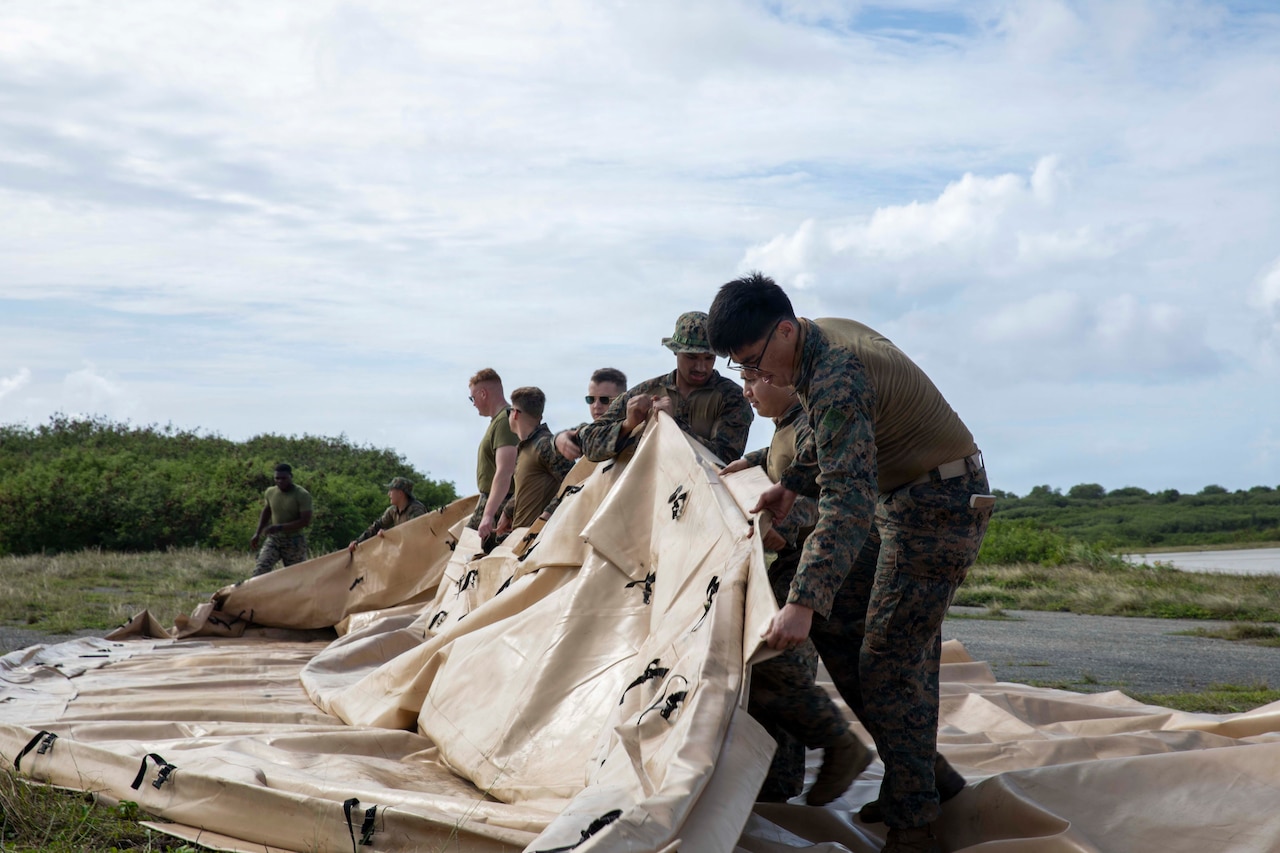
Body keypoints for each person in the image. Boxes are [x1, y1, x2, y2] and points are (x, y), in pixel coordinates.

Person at [706, 273, 993, 853]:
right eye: (743, 369)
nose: (756, 380)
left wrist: (802, 602)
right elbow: (838, 442)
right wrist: (791, 484)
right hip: (905, 499)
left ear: (785, 330)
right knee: (857, 634)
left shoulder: (836, 370)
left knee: (888, 659)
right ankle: (925, 779)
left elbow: (848, 501)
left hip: (938, 504)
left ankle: (915, 826)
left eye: (756, 364)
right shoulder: (817, 344)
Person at [721, 375, 871, 805]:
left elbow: (826, 486)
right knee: (782, 661)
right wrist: (750, 461)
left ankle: (838, 743)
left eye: (753, 379)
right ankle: (781, 778)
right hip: (804, 555)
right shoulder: (786, 425)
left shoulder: (808, 420)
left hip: (819, 555)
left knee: (767, 650)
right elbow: (782, 460)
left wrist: (782, 527)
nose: (747, 390)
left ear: (786, 381)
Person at [577, 312, 753, 464]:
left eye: (708, 358)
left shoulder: (732, 398)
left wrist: (673, 424)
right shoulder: (645, 392)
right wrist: (627, 425)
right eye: (691, 357)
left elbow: (725, 459)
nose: (701, 367)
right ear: (676, 351)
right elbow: (589, 443)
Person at [496, 387, 575, 535]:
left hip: (538, 544)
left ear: (515, 414)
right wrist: (508, 511)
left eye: (509, 411)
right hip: (522, 540)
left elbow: (575, 482)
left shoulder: (545, 445)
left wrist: (546, 516)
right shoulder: (529, 447)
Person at [467, 368, 519, 548]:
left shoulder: (505, 421)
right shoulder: (500, 421)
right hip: (493, 501)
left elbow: (505, 472)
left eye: (472, 398)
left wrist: (488, 515)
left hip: (499, 503)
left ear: (483, 394)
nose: (473, 404)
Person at [250, 463, 313, 577]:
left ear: (291, 477)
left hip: (294, 541)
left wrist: (280, 527)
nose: (280, 481)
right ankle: (258, 594)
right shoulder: (270, 492)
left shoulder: (302, 495)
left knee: (296, 577)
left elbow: (305, 521)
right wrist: (257, 533)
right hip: (274, 539)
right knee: (260, 570)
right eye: (277, 478)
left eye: (284, 478)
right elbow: (267, 511)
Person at [554, 367, 628, 461]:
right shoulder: (589, 432)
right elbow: (575, 433)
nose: (596, 406)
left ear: (623, 399)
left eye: (604, 399)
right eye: (591, 399)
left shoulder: (640, 429)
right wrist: (559, 438)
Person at [347, 477, 428, 553]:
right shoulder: (393, 510)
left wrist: (389, 534)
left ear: (400, 493)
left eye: (391, 490)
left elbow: (416, 534)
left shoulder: (416, 510)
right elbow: (377, 526)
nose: (388, 494)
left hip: (419, 553)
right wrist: (358, 541)